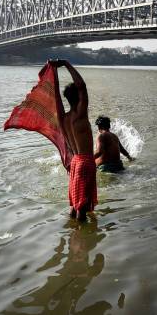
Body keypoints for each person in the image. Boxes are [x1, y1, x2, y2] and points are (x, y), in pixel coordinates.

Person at [50, 59, 97, 221]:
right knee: (82, 207)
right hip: (85, 162)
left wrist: (53, 73)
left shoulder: (64, 119)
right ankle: (81, 240)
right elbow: (82, 86)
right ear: (78, 97)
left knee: (75, 204)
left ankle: (71, 234)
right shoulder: (79, 115)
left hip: (75, 162)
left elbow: (56, 98)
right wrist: (67, 64)